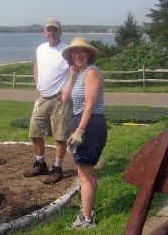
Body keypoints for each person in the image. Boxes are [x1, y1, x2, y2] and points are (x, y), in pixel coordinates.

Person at [61, 37, 107, 230]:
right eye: (74, 52)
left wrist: (80, 131)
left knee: (84, 174)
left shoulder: (92, 73)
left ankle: (86, 220)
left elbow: (90, 105)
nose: (77, 55)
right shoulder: (79, 74)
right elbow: (64, 98)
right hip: (83, 124)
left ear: (89, 54)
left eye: (81, 51)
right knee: (87, 172)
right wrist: (71, 76)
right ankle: (88, 210)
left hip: (90, 125)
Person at [23, 18, 72, 184]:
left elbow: (75, 72)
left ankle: (57, 169)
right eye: (48, 30)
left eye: (54, 30)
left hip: (60, 100)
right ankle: (40, 163)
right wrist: (38, 84)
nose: (51, 33)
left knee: (60, 135)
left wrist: (66, 90)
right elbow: (37, 65)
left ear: (60, 32)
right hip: (42, 97)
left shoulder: (66, 51)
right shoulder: (41, 49)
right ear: (45, 32)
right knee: (34, 132)